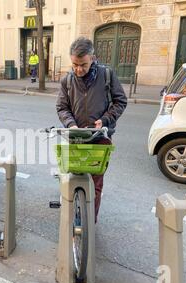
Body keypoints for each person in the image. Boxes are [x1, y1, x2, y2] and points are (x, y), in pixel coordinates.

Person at [56, 37, 127, 223]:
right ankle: (71, 215)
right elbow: (62, 108)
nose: (78, 69)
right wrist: (71, 125)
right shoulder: (67, 81)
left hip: (100, 137)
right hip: (76, 137)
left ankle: (89, 223)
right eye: (75, 64)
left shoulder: (107, 75)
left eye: (83, 64)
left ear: (93, 58)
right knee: (72, 178)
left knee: (95, 184)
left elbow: (121, 101)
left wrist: (104, 120)